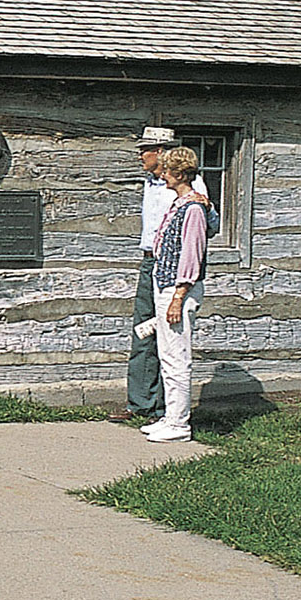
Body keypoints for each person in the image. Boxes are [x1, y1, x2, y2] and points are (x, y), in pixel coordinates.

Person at [125, 128, 207, 422]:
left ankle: (166, 410)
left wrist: (182, 285)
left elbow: (202, 226)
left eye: (145, 149)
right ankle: (140, 403)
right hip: (151, 262)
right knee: (144, 330)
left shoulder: (189, 187)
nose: (140, 155)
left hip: (173, 269)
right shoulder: (151, 183)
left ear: (160, 152)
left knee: (171, 337)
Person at [145, 145, 210, 443]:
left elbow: (192, 255)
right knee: (166, 354)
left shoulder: (194, 209)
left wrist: (179, 295)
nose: (163, 175)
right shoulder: (182, 203)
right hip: (166, 285)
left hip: (178, 289)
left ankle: (180, 425)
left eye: (167, 170)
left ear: (179, 174)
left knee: (177, 357)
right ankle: (171, 417)